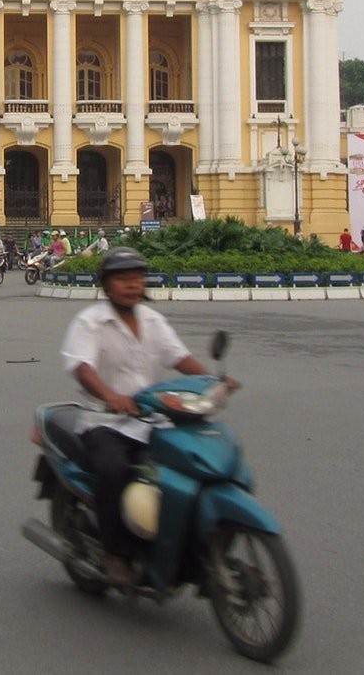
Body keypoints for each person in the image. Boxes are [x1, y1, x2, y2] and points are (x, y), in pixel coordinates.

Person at [59, 247, 236, 587]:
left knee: (188, 465)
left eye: (137, 278)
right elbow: (82, 367)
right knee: (115, 470)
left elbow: (180, 358)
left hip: (153, 419)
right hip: (104, 422)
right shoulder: (90, 322)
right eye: (123, 279)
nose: (132, 285)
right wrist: (111, 397)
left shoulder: (153, 321)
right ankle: (115, 552)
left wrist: (213, 383)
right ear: (107, 286)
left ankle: (182, 546)